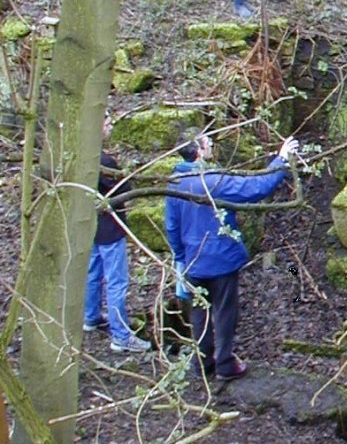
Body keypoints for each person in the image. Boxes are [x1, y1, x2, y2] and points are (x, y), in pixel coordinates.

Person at [165, 131, 299, 381]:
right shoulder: (213, 181)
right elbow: (256, 188)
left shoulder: (174, 182)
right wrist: (281, 160)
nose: (212, 147)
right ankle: (225, 364)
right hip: (220, 259)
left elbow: (172, 227)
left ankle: (203, 364)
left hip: (193, 261)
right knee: (225, 312)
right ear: (198, 151)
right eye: (208, 144)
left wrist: (180, 258)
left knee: (199, 312)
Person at [84, 111, 152, 353]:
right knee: (116, 282)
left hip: (89, 228)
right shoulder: (105, 163)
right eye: (108, 121)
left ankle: (90, 316)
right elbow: (125, 189)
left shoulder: (81, 156)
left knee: (92, 272)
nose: (110, 125)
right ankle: (121, 336)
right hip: (110, 230)